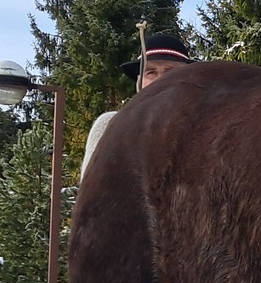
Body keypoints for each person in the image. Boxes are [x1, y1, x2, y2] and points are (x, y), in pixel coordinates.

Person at [81, 32, 194, 177]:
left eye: (170, 71)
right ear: (139, 82)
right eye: (151, 72)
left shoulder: (206, 128)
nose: (160, 80)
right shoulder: (110, 126)